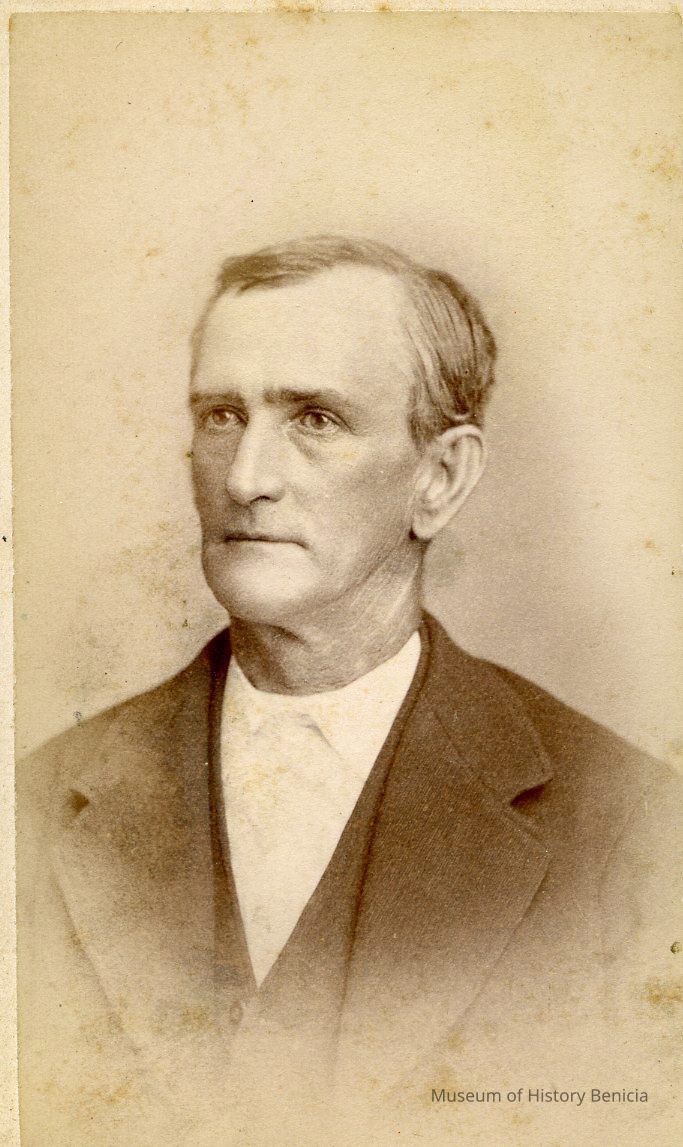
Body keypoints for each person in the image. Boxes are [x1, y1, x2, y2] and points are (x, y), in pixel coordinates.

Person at [17, 236, 681, 1145]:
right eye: (221, 415)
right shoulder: (35, 804)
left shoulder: (633, 830)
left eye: (315, 418)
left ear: (439, 479)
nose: (246, 478)